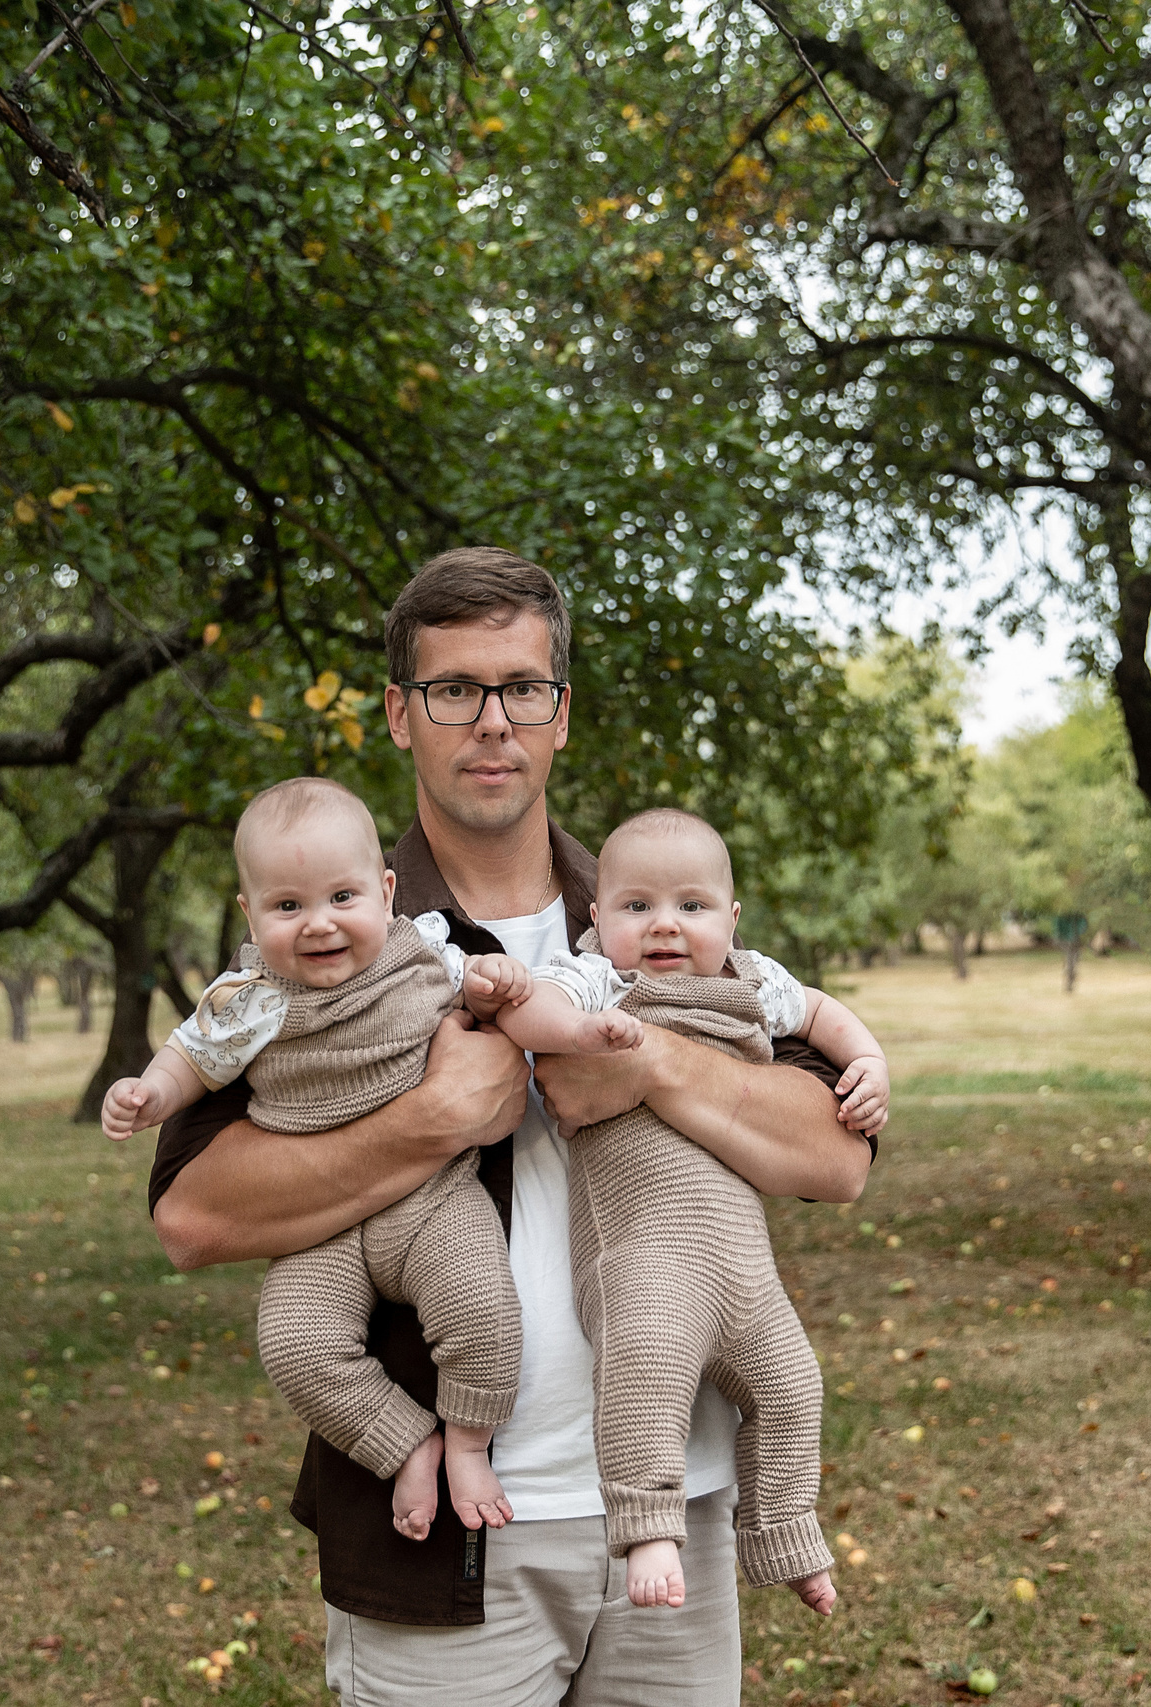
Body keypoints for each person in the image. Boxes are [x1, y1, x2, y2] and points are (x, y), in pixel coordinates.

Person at [149, 547, 874, 1707]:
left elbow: (835, 1155)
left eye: (521, 689)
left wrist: (653, 1070)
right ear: (399, 713)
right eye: (454, 691)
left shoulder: (651, 905)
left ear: (559, 714)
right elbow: (189, 1216)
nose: (491, 723)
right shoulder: (326, 927)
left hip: (669, 1512)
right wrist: (431, 1121)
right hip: (449, 1534)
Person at [101, 776, 545, 1540]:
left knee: (481, 1307)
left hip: (431, 1200)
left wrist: (491, 982)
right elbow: (190, 1058)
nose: (319, 925)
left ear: (385, 889)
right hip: (319, 1229)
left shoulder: (420, 952)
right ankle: (407, 1441)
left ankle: (469, 1441)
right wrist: (149, 1092)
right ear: (250, 913)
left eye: (342, 898)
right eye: (287, 906)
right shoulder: (247, 997)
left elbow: (474, 997)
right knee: (295, 1345)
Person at [489, 807, 888, 1614]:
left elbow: (818, 1012)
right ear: (598, 918)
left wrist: (870, 1061)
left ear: (731, 919)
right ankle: (649, 1528)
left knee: (792, 1386)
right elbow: (525, 1011)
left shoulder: (749, 979)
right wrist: (577, 1030)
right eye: (636, 906)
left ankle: (785, 1528)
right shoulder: (597, 974)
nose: (664, 925)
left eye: (692, 907)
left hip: (741, 1268)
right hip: (645, 1259)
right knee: (645, 1374)